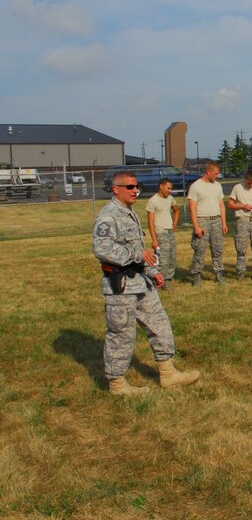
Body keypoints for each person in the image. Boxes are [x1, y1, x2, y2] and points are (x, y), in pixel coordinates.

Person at [93, 171, 200, 396]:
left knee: (159, 324)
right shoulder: (109, 214)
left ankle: (168, 373)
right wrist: (136, 253)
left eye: (136, 187)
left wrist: (152, 272)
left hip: (140, 282)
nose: (135, 191)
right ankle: (117, 384)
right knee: (121, 334)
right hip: (120, 285)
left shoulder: (129, 213)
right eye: (130, 187)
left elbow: (141, 252)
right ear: (116, 189)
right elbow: (102, 248)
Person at [188, 161, 227, 286]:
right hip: (202, 220)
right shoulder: (196, 186)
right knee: (199, 249)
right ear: (208, 172)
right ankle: (197, 277)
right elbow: (192, 208)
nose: (217, 176)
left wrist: (223, 223)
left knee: (218, 249)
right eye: (215, 174)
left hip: (216, 220)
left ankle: (219, 276)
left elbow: (221, 205)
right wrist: (196, 227)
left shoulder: (217, 186)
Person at [227, 170, 252, 280]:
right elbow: (230, 204)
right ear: (246, 179)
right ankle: (241, 272)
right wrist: (243, 206)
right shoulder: (237, 188)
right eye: (249, 183)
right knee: (241, 248)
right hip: (242, 221)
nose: (251, 185)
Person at [145, 178, 179, 287]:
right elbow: (150, 221)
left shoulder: (170, 198)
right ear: (161, 186)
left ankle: (168, 280)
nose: (170, 190)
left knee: (172, 258)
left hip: (170, 232)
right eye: (168, 188)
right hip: (160, 232)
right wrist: (154, 239)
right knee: (163, 259)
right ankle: (159, 280)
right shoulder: (153, 201)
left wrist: (174, 224)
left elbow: (176, 210)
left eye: (171, 189)